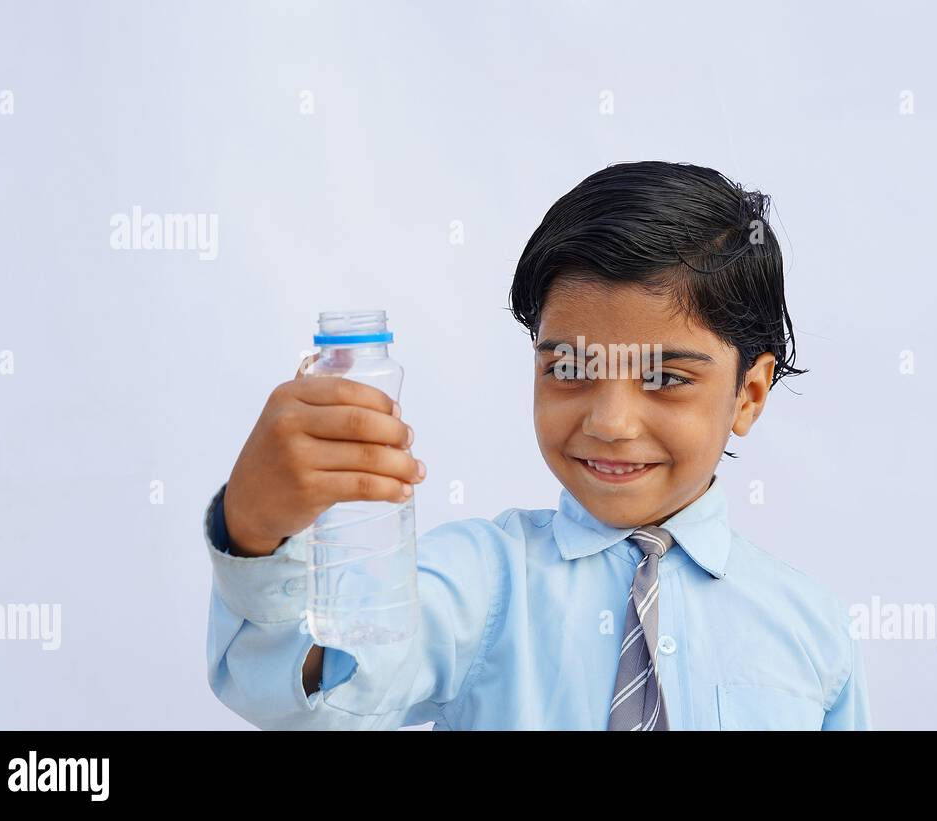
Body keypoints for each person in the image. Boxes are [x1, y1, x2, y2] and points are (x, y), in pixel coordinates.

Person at [203, 161, 871, 730]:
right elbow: (313, 695)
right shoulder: (480, 582)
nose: (610, 421)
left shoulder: (811, 630)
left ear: (748, 394)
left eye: (665, 377)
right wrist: (256, 526)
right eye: (571, 367)